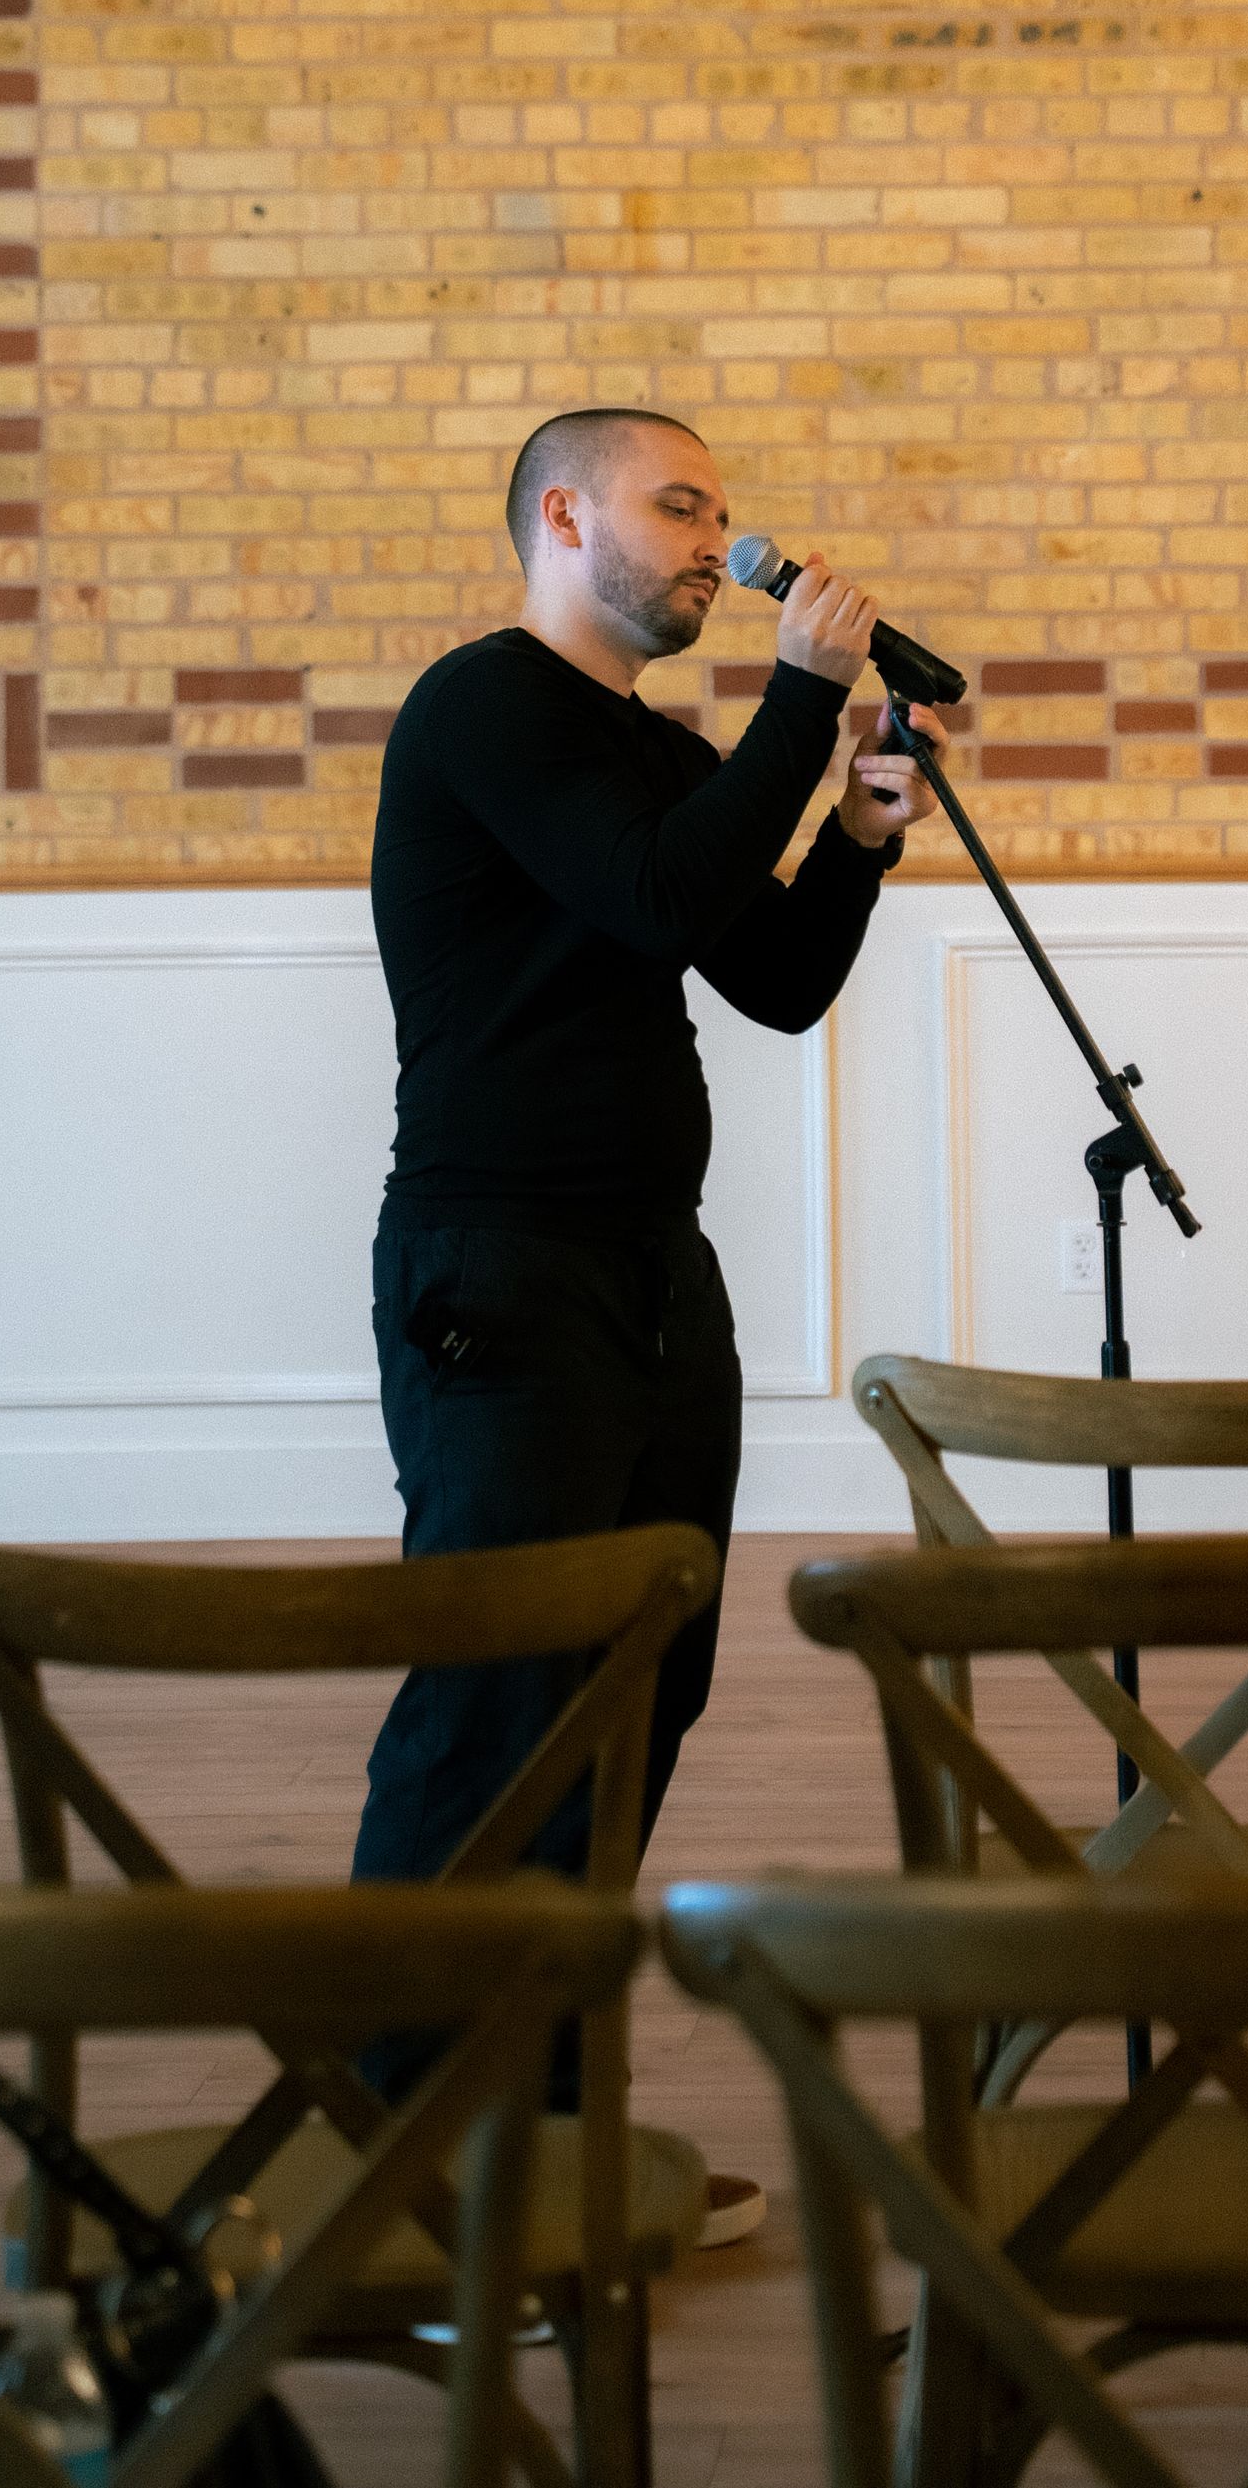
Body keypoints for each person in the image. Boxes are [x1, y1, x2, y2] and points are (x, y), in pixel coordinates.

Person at [351, 405, 937, 2216]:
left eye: (721, 512)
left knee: (634, 1692)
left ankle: (537, 2132)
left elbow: (763, 973)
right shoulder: (484, 707)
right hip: (500, 1277)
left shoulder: (647, 744)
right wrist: (797, 700)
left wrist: (852, 837)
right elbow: (661, 888)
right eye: (678, 507)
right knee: (496, 1706)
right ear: (561, 516)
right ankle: (407, 2173)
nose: (715, 543)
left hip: (653, 1279)